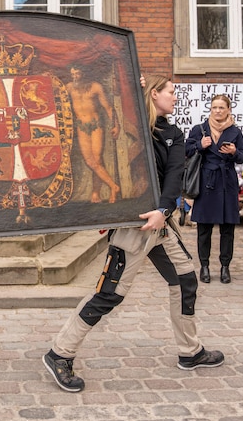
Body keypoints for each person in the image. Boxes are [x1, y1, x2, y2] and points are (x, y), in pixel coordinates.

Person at [42, 75, 224, 393]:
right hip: (134, 227)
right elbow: (119, 114)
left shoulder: (172, 133)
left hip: (160, 223)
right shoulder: (134, 123)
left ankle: (190, 351)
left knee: (185, 280)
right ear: (154, 94)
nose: (175, 97)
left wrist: (163, 211)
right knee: (108, 294)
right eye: (170, 92)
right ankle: (60, 353)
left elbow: (173, 176)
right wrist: (129, 85)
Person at [185, 94, 243, 284]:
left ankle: (225, 267)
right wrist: (199, 145)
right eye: (214, 107)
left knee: (227, 229)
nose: (218, 111)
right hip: (206, 182)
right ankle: (204, 266)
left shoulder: (235, 132)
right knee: (204, 228)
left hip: (226, 182)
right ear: (210, 109)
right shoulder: (200, 129)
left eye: (221, 108)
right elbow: (186, 151)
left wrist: (234, 152)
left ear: (229, 109)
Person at [67, 65, 121, 204]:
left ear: (84, 73)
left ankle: (102, 191)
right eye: (73, 74)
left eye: (77, 73)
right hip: (81, 127)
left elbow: (108, 107)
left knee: (96, 160)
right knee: (90, 161)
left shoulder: (95, 87)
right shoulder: (69, 87)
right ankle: (109, 187)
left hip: (96, 126)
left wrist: (116, 125)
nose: (75, 77)